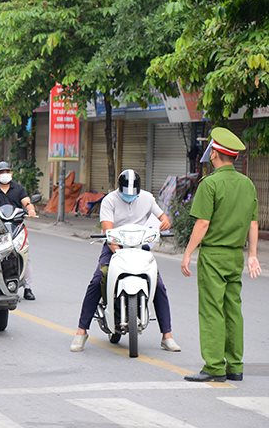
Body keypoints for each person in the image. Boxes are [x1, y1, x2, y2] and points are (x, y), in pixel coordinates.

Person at [180, 127, 261, 382]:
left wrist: (187, 253)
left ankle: (214, 367)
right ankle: (235, 366)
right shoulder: (247, 184)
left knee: (212, 309)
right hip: (235, 256)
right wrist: (253, 255)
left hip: (213, 255)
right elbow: (253, 223)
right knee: (233, 309)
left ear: (214, 153)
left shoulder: (211, 183)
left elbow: (202, 224)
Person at [70, 169, 179, 352]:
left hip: (139, 247)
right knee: (98, 280)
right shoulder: (109, 200)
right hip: (114, 247)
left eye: (132, 195)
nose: (129, 197)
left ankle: (167, 336)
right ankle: (81, 331)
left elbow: (163, 217)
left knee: (158, 284)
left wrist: (165, 222)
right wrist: (116, 249)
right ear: (118, 189)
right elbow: (107, 229)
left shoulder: (147, 198)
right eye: (125, 194)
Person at [0, 161, 38, 299]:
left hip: (17, 227)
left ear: (11, 173)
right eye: (1, 172)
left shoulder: (18, 189)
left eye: (6, 172)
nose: (4, 175)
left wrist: (30, 209)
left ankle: (28, 288)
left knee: (24, 255)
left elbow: (26, 202)